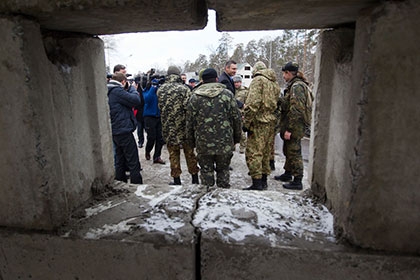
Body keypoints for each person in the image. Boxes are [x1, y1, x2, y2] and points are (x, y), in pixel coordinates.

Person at [186, 68, 242, 189]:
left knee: (206, 174)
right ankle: (222, 200)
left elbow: (189, 122)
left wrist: (190, 142)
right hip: (225, 142)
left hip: (203, 143)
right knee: (223, 171)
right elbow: (236, 118)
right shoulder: (227, 95)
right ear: (216, 79)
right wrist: (237, 138)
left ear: (202, 80)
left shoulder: (194, 97)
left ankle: (206, 202)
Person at [157, 66, 200, 185]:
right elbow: (189, 108)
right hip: (184, 127)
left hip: (168, 127)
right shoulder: (184, 89)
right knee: (190, 153)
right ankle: (195, 179)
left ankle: (177, 180)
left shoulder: (160, 90)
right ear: (178, 75)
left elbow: (160, 108)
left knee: (173, 154)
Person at [242, 61, 280, 191]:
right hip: (270, 121)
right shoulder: (274, 82)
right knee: (265, 153)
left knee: (254, 153)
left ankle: (256, 183)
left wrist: (246, 123)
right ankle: (264, 181)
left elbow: (252, 104)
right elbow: (279, 103)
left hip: (258, 122)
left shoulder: (258, 81)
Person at [274, 62, 312, 190]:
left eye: (284, 74)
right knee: (288, 150)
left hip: (295, 126)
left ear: (288, 73)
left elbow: (297, 109)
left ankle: (297, 180)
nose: (283, 77)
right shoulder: (294, 85)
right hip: (292, 124)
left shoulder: (297, 87)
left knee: (294, 152)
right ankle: (288, 173)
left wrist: (289, 129)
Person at [107, 72, 143, 184]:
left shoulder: (108, 90)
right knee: (133, 161)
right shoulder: (117, 91)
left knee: (120, 160)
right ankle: (137, 185)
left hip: (115, 130)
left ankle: (120, 182)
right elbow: (136, 100)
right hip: (123, 130)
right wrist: (132, 88)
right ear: (123, 81)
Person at [143, 77, 166, 164]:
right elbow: (147, 100)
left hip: (159, 116)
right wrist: (153, 87)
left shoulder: (160, 90)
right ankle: (148, 150)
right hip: (149, 116)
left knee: (160, 138)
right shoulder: (147, 90)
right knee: (151, 137)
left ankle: (157, 156)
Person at [233, 75, 248, 154]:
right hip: (233, 113)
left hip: (241, 113)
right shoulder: (231, 90)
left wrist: (244, 114)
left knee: (241, 132)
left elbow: (247, 104)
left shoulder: (245, 91)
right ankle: (233, 146)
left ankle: (243, 147)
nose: (236, 84)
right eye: (235, 82)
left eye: (238, 82)